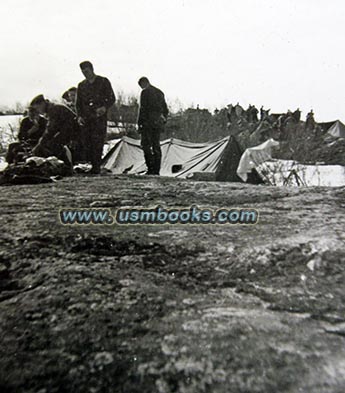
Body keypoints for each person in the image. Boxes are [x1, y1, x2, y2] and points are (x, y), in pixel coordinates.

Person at [76, 61, 116, 174]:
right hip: (86, 118)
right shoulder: (81, 85)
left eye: (87, 71)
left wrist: (104, 107)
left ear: (92, 69)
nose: (85, 74)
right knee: (87, 142)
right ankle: (92, 165)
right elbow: (78, 103)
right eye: (83, 72)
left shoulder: (103, 81)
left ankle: (96, 167)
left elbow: (112, 98)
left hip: (99, 117)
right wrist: (79, 116)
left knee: (98, 141)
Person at [29, 94, 79, 167]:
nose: (38, 111)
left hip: (75, 132)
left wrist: (39, 145)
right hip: (70, 131)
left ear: (42, 104)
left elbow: (50, 130)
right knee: (50, 142)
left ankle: (64, 165)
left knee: (51, 144)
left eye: (38, 108)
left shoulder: (54, 109)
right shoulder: (53, 108)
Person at [137, 77, 168, 175]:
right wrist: (162, 121)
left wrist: (140, 123)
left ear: (143, 83)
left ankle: (150, 168)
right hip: (157, 124)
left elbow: (143, 109)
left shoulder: (145, 92)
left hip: (147, 123)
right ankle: (156, 170)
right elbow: (165, 109)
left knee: (146, 146)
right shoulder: (160, 92)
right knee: (156, 145)